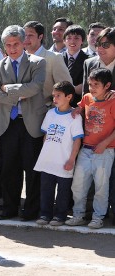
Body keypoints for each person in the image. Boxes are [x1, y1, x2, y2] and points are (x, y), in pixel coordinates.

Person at [0, 25, 46, 221]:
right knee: (8, 169)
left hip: (31, 123)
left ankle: (31, 210)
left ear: (24, 43)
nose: (12, 48)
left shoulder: (38, 62)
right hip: (7, 124)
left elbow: (35, 88)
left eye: (16, 44)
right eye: (8, 45)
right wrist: (18, 94)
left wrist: (9, 90)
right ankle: (9, 208)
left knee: (32, 169)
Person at [66, 69, 115, 229]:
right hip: (86, 149)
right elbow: (80, 107)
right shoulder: (87, 98)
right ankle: (78, 214)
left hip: (105, 151)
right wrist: (77, 109)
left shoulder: (113, 101)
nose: (92, 88)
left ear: (107, 85)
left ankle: (98, 217)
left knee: (101, 186)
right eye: (90, 84)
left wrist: (104, 143)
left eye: (96, 85)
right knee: (78, 184)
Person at [34, 81, 83, 226]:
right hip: (48, 160)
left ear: (69, 97)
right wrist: (45, 153)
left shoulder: (75, 117)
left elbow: (77, 140)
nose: (54, 98)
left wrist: (71, 160)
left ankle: (60, 216)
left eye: (58, 96)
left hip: (64, 161)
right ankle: (45, 214)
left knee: (63, 191)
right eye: (53, 95)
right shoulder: (50, 113)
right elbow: (46, 135)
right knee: (46, 189)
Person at [23, 21, 72, 106]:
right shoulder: (19, 58)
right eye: (24, 35)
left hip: (45, 112)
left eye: (30, 35)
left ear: (40, 37)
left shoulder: (54, 58)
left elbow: (67, 88)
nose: (26, 39)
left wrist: (52, 109)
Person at [61, 25, 89, 106]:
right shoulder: (57, 58)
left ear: (82, 41)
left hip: (79, 104)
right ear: (64, 41)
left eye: (76, 38)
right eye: (69, 38)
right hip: (58, 103)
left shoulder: (89, 60)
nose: (72, 41)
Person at [82, 27, 115, 94]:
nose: (100, 48)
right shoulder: (89, 63)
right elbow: (86, 94)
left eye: (105, 45)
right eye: (98, 44)